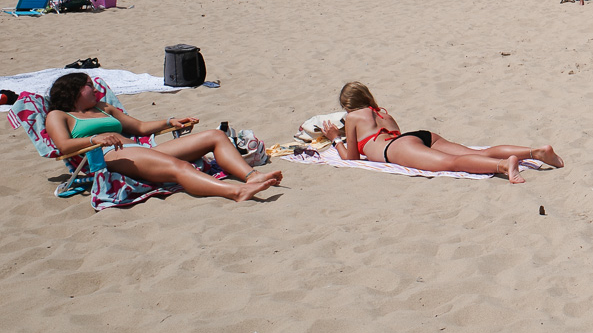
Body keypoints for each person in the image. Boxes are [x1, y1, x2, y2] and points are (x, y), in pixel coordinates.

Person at [44, 72, 281, 202]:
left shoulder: (104, 108)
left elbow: (139, 127)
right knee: (178, 166)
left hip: (139, 152)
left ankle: (252, 177)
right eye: (89, 86)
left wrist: (170, 122)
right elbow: (64, 146)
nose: (95, 90)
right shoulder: (59, 115)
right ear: (74, 90)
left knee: (215, 135)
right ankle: (235, 192)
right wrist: (95, 140)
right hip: (110, 158)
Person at [321, 82, 563, 183]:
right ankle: (535, 151)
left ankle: (504, 166)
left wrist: (335, 140)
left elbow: (351, 159)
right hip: (418, 136)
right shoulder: (384, 113)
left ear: (348, 106)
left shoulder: (353, 117)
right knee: (480, 151)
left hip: (395, 148)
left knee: (453, 163)